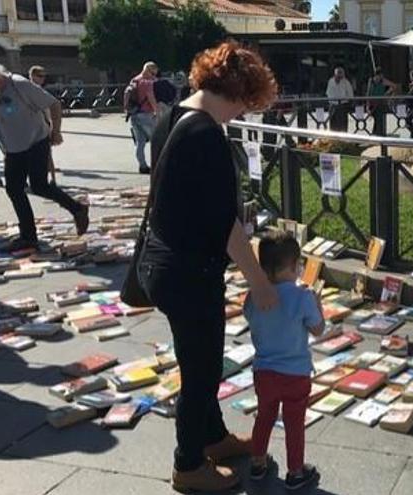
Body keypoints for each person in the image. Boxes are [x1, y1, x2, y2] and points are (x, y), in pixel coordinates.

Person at [136, 41, 280, 492]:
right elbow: (227, 228)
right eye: (246, 103)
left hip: (162, 264)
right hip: (189, 273)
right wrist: (260, 283)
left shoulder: (172, 117)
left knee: (196, 359)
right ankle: (188, 464)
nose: (242, 113)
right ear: (237, 92)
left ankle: (213, 437)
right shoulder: (207, 135)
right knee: (201, 369)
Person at [0, 60, 88, 252]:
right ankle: (28, 237)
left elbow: (54, 104)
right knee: (14, 189)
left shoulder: (20, 85)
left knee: (39, 185)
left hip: (36, 141)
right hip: (13, 147)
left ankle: (78, 209)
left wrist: (56, 131)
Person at [246, 230, 324, 490]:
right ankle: (296, 471)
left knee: (264, 417)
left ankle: (257, 463)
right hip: (295, 374)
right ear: (293, 266)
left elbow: (251, 318)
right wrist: (318, 305)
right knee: (294, 424)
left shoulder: (254, 296)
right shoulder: (302, 297)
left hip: (264, 371)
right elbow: (317, 329)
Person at [128, 61, 159, 174]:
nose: (154, 76)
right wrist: (157, 111)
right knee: (156, 140)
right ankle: (158, 166)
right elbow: (151, 98)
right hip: (146, 114)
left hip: (134, 114)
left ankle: (143, 166)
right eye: (153, 73)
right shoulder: (147, 83)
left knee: (140, 143)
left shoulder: (134, 80)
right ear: (147, 70)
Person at [29, 65, 58, 183]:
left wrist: (52, 127)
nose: (43, 79)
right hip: (29, 128)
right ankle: (35, 180)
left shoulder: (41, 92)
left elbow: (49, 110)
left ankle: (52, 179)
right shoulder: (27, 90)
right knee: (30, 155)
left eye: (44, 76)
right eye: (40, 76)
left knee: (47, 154)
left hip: (43, 127)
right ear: (32, 76)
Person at [366, 68, 393, 136]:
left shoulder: (383, 81)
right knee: (374, 119)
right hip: (373, 103)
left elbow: (394, 86)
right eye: (381, 75)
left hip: (380, 103)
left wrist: (387, 94)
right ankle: (375, 134)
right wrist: (367, 106)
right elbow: (368, 93)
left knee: (380, 119)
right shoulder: (371, 81)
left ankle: (379, 134)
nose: (381, 77)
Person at [325, 67, 353, 132]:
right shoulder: (330, 81)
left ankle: (343, 140)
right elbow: (327, 93)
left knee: (342, 126)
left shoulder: (346, 82)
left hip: (342, 106)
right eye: (338, 74)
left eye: (341, 74)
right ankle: (334, 140)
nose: (339, 76)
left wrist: (348, 104)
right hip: (332, 106)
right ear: (335, 74)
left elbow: (350, 95)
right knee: (333, 126)